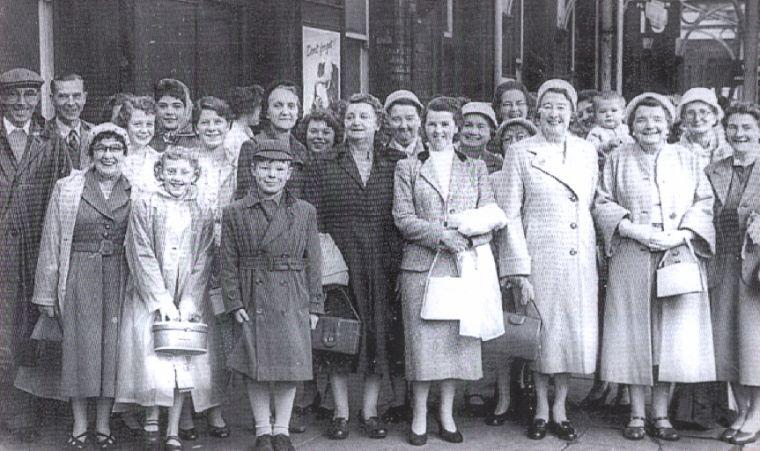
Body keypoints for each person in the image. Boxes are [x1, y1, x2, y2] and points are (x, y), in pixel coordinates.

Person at [594, 92, 716, 442]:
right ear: (631, 125)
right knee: (632, 332)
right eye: (643, 119)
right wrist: (631, 228)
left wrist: (681, 234)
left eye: (658, 119)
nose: (651, 125)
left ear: (669, 124)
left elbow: (704, 200)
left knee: (670, 336)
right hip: (632, 253)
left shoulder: (687, 157)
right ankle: (636, 413)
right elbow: (602, 201)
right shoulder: (618, 158)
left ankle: (661, 414)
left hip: (676, 252)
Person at [494, 79, 599, 442]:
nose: (555, 114)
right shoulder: (521, 152)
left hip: (578, 256)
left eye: (562, 107)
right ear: (537, 112)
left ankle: (561, 407)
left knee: (569, 333)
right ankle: (540, 406)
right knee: (543, 335)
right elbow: (509, 214)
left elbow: (588, 203)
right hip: (541, 254)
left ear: (572, 113)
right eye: (549, 107)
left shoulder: (587, 152)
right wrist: (518, 269)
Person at [393, 96, 499, 446]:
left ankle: (447, 414)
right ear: (425, 127)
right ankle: (420, 415)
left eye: (445, 124)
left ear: (456, 128)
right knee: (423, 344)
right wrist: (442, 236)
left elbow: (490, 214)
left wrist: (465, 236)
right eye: (433, 124)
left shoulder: (475, 167)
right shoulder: (408, 167)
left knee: (455, 345)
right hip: (421, 266)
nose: (438, 130)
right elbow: (403, 218)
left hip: (461, 266)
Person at [303, 93, 405, 440]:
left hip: (382, 258)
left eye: (364, 116)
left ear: (378, 123)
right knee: (337, 333)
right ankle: (341, 414)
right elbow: (311, 217)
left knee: (379, 335)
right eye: (350, 117)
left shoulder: (394, 162)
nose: (356, 123)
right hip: (338, 258)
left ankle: (370, 411)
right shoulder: (324, 162)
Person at [29, 124, 132, 449]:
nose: (108, 155)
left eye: (115, 148)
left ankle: (103, 423)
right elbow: (52, 239)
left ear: (124, 154)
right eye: (101, 148)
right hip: (79, 277)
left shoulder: (135, 188)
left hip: (120, 276)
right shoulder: (69, 187)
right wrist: (46, 292)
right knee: (80, 351)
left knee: (112, 352)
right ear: (91, 152)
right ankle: (79, 424)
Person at [221, 139, 324, 451]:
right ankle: (262, 430)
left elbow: (315, 260)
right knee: (257, 363)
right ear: (252, 170)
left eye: (279, 168)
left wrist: (315, 304)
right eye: (264, 167)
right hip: (253, 291)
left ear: (289, 173)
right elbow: (227, 260)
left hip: (293, 291)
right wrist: (234, 301)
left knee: (289, 363)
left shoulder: (304, 211)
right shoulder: (235, 211)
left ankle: (282, 430)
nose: (271, 174)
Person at [114, 148, 215, 451]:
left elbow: (205, 256)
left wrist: (189, 300)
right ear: (160, 173)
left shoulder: (202, 208)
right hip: (151, 292)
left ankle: (174, 427)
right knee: (151, 356)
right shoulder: (145, 204)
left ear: (194, 175)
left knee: (182, 356)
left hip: (187, 291)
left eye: (184, 173)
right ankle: (151, 417)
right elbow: (140, 251)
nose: (177, 178)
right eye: (171, 172)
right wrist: (160, 299)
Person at [0, 68, 72, 442]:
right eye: (13, 96)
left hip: (35, 249)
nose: (21, 104)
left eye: (29, 96)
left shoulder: (50, 139)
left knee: (30, 328)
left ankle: (27, 406)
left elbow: (63, 194)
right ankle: (10, 409)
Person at [173, 96, 233, 441]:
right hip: (189, 254)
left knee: (217, 336)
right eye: (205, 123)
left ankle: (215, 408)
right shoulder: (186, 161)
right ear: (195, 127)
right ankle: (184, 414)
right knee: (188, 334)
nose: (211, 129)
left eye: (218, 123)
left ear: (227, 127)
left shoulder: (236, 161)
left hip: (223, 255)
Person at [704, 103, 760, 445]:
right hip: (722, 265)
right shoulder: (714, 170)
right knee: (727, 343)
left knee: (756, 344)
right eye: (734, 127)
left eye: (747, 128)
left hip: (756, 269)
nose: (740, 134)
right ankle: (741, 410)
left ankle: (756, 414)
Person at [236, 80, 307, 199]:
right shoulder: (252, 147)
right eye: (277, 106)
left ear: (297, 113)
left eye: (291, 106)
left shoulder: (301, 150)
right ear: (267, 113)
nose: (285, 112)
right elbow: (245, 198)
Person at [116, 96, 161, 199]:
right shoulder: (114, 157)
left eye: (149, 124)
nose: (144, 130)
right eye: (137, 124)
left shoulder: (158, 159)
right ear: (125, 124)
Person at [45, 74, 93, 170]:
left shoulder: (95, 132)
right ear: (52, 99)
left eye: (76, 96)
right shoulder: (41, 135)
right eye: (63, 96)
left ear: (84, 98)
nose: (71, 103)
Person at [677, 87, 732, 168]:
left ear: (715, 117)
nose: (697, 118)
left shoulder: (730, 150)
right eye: (690, 113)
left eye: (703, 112)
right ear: (683, 119)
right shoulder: (674, 152)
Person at [150, 78, 198, 152]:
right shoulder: (147, 139)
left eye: (177, 106)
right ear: (155, 108)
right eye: (163, 106)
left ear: (186, 109)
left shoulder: (199, 141)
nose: (170, 112)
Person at [586, 91, 633, 168]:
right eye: (602, 111)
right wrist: (607, 145)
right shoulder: (596, 132)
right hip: (605, 166)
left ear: (623, 113)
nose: (608, 114)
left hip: (626, 165)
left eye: (614, 110)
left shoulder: (627, 129)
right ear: (595, 116)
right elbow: (590, 148)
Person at [224, 85, 264, 168]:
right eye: (258, 108)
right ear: (249, 109)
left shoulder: (247, 131)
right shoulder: (234, 136)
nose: (260, 112)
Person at [458, 102, 502, 174]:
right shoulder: (446, 158)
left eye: (480, 126)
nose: (473, 132)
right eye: (468, 125)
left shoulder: (499, 165)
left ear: (491, 133)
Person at [385, 89, 425, 156]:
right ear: (388, 122)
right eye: (396, 119)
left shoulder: (432, 154)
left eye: (409, 119)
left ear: (419, 120)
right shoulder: (379, 157)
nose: (403, 126)